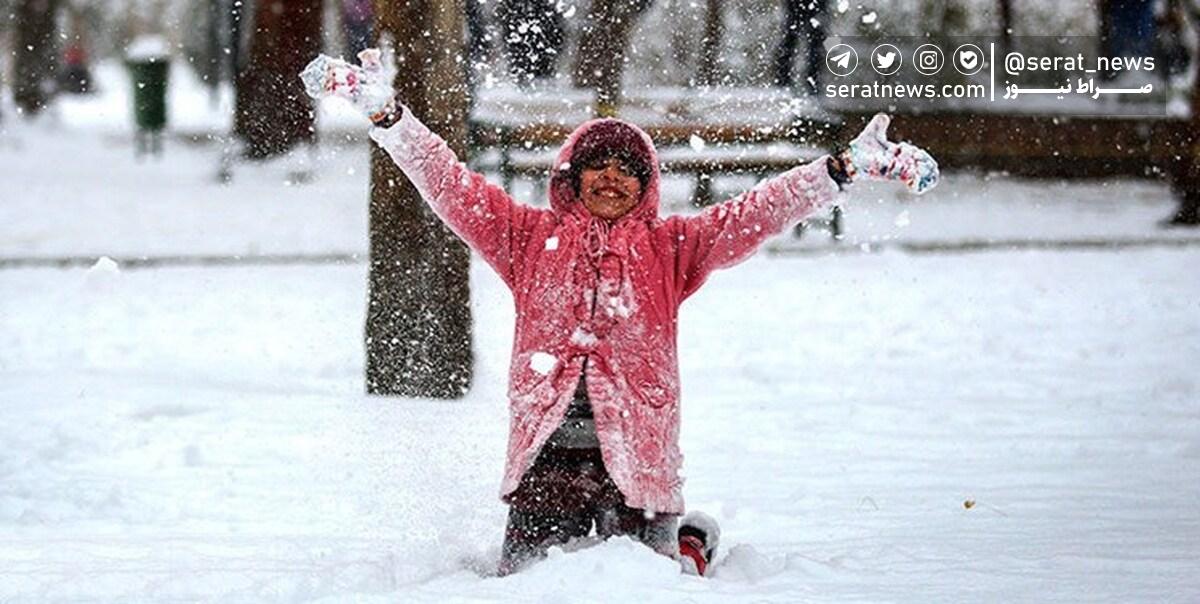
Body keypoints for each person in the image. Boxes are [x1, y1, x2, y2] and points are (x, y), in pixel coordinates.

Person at [301, 50, 939, 576]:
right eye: (596, 168)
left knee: (646, 584)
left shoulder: (672, 248)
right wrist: (388, 114)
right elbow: (447, 181)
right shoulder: (525, 238)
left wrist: (842, 169)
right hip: (545, 462)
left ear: (647, 185)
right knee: (523, 583)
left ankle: (687, 541)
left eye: (626, 170)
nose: (610, 179)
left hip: (638, 460)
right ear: (571, 180)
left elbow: (755, 211)